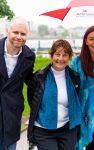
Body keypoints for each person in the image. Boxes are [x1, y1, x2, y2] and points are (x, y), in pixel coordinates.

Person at [27, 39, 82, 150]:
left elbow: (76, 99)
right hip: (43, 130)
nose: (60, 58)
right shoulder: (39, 76)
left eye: (65, 55)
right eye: (57, 54)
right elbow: (33, 99)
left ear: (69, 57)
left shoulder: (74, 77)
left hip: (68, 129)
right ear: (51, 55)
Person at [0, 17, 35, 150]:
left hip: (12, 112)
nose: (19, 37)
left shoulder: (29, 56)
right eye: (15, 32)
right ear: (7, 31)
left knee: (9, 146)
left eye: (23, 34)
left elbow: (30, 80)